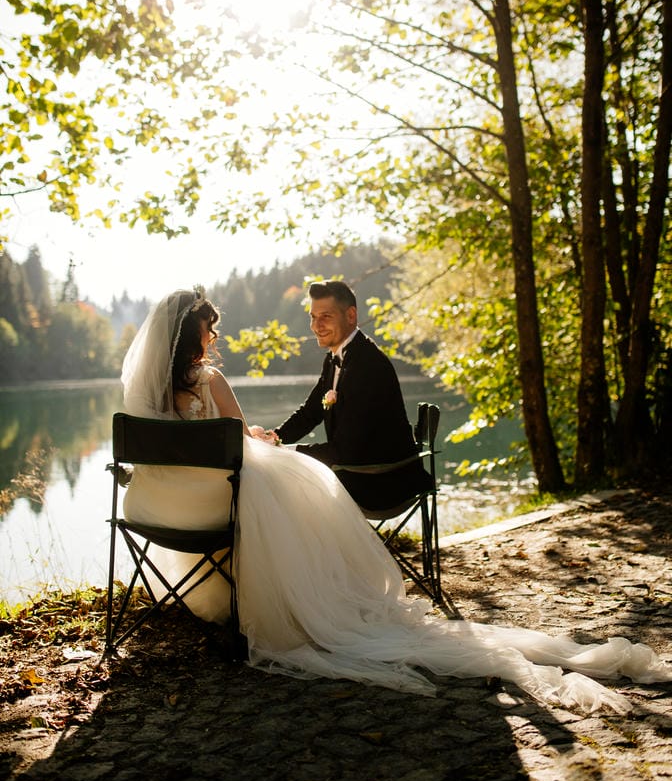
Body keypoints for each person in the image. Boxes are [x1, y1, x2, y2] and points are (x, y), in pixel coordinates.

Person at [120, 288, 672, 714]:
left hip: (158, 510)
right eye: (210, 331)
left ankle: (246, 594)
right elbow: (235, 438)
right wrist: (268, 440)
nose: (214, 341)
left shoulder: (144, 392)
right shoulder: (210, 378)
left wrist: (269, 442)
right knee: (298, 488)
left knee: (287, 480)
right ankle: (311, 595)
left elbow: (186, 449)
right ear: (194, 336)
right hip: (220, 507)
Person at [271, 280, 430, 512]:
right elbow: (310, 412)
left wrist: (288, 453)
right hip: (355, 471)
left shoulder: (367, 365)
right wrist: (274, 438)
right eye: (313, 317)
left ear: (351, 315)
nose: (316, 326)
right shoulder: (335, 358)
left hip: (382, 481)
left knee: (288, 489)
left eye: (325, 316)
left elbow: (346, 449)